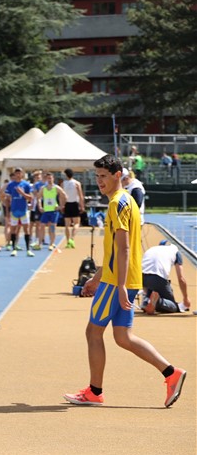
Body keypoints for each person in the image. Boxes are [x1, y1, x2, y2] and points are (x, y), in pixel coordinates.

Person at [64, 154, 186, 408]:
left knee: (93, 332)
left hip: (117, 282)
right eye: (97, 176)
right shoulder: (126, 200)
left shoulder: (117, 203)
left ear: (117, 175)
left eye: (104, 176)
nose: (99, 181)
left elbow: (124, 248)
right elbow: (114, 251)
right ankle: (171, 373)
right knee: (123, 337)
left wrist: (117, 285)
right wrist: (96, 277)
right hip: (123, 279)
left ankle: (95, 391)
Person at [140, 241, 191, 315]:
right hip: (157, 278)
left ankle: (146, 302)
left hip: (142, 277)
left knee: (151, 286)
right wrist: (185, 298)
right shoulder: (175, 251)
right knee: (173, 306)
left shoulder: (152, 249)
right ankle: (158, 302)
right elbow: (181, 279)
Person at [2, 168, 33, 256]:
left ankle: (28, 249)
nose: (18, 175)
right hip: (14, 210)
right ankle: (14, 248)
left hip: (23, 210)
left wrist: (22, 193)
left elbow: (30, 198)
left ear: (22, 174)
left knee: (26, 229)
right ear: (14, 175)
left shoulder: (26, 185)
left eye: (19, 173)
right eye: (16, 173)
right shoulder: (11, 185)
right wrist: (7, 211)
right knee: (13, 229)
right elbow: (7, 199)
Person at [38, 172, 65, 250]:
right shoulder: (43, 188)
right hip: (46, 211)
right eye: (48, 178)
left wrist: (61, 206)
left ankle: (52, 243)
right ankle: (39, 243)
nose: (49, 180)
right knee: (41, 226)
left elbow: (64, 195)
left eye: (50, 178)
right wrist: (40, 206)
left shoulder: (56, 188)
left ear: (53, 178)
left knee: (52, 227)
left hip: (54, 211)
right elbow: (39, 197)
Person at [61, 168, 85, 249]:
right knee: (77, 223)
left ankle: (68, 241)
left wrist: (62, 205)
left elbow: (61, 196)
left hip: (67, 204)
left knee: (67, 224)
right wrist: (82, 206)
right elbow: (80, 195)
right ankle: (72, 238)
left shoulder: (63, 184)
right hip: (74, 204)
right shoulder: (77, 183)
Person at [28, 170, 45, 249]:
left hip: (41, 205)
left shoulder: (44, 185)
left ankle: (39, 238)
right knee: (32, 224)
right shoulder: (33, 185)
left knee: (40, 224)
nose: (38, 177)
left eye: (39, 176)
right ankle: (31, 238)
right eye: (36, 176)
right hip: (34, 206)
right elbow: (33, 194)